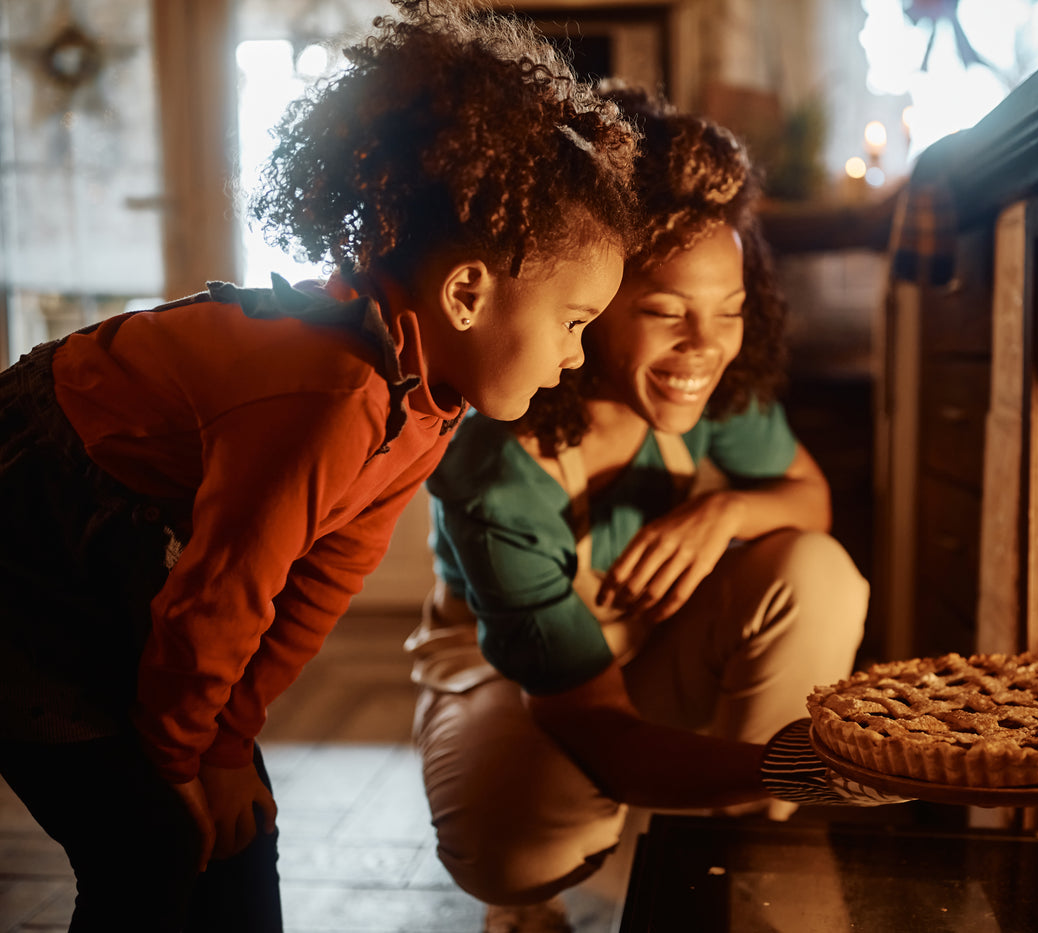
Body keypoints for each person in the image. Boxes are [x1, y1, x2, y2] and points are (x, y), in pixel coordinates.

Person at [0, 4, 639, 930]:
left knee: (238, 825)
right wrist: (185, 761)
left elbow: (323, 575)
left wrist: (228, 741)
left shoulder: (429, 400)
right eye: (575, 321)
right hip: (24, 544)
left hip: (126, 556)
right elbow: (219, 596)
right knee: (147, 841)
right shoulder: (330, 396)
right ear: (468, 293)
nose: (579, 356)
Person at [408, 84, 900, 932]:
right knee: (515, 841)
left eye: (731, 314)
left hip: (646, 647)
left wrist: (724, 515)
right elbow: (594, 724)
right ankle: (534, 897)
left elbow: (808, 499)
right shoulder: (500, 465)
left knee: (817, 569)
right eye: (666, 312)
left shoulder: (716, 389)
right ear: (588, 303)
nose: (704, 348)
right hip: (519, 681)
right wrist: (800, 767)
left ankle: (734, 843)